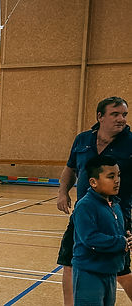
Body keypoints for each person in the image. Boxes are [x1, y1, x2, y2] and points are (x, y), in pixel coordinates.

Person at [57, 96, 132, 305]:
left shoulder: (130, 143)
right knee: (70, 263)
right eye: (115, 114)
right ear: (100, 116)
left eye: (124, 115)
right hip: (84, 215)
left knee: (122, 271)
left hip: (117, 217)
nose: (121, 119)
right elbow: (70, 168)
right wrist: (63, 192)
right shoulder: (82, 140)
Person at [72, 155, 132, 306]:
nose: (117, 180)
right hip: (89, 273)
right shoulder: (85, 206)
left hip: (109, 271)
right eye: (110, 177)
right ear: (93, 182)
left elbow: (115, 232)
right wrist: (120, 242)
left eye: (118, 175)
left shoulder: (115, 205)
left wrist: (126, 237)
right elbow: (90, 238)